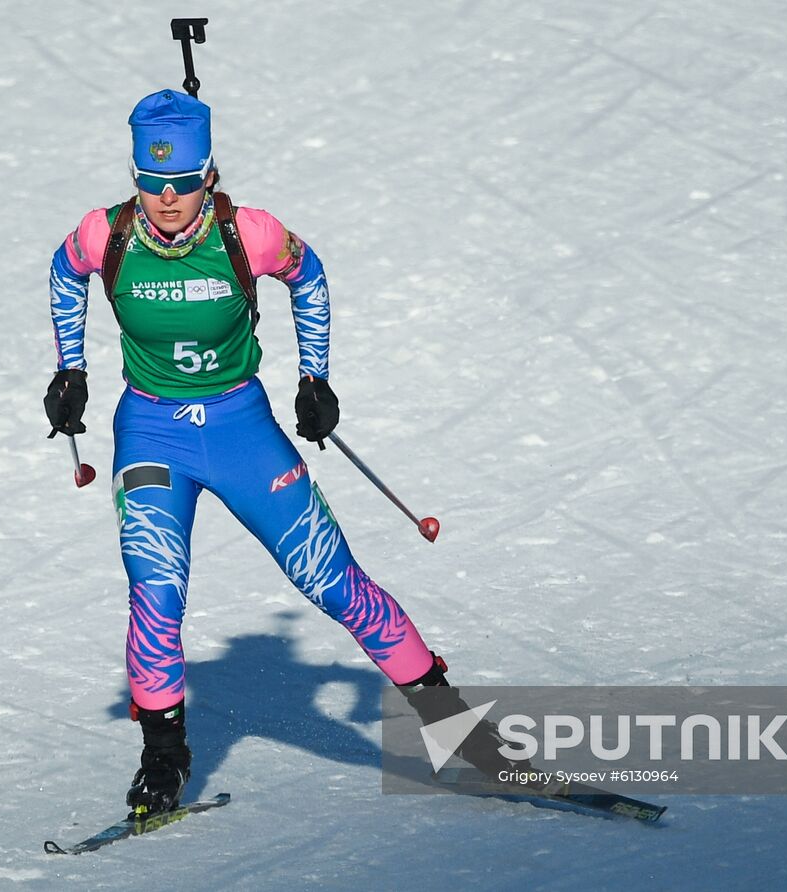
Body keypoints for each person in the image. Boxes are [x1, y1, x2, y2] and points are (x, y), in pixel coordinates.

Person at [44, 89, 505, 816]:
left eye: (185, 184)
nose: (168, 200)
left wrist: (313, 376)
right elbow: (64, 271)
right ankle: (163, 759)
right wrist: (71, 368)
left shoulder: (248, 233)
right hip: (152, 432)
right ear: (134, 178)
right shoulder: (106, 235)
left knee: (332, 579)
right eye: (152, 184)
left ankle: (459, 732)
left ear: (209, 176)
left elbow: (308, 276)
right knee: (155, 589)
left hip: (241, 429)